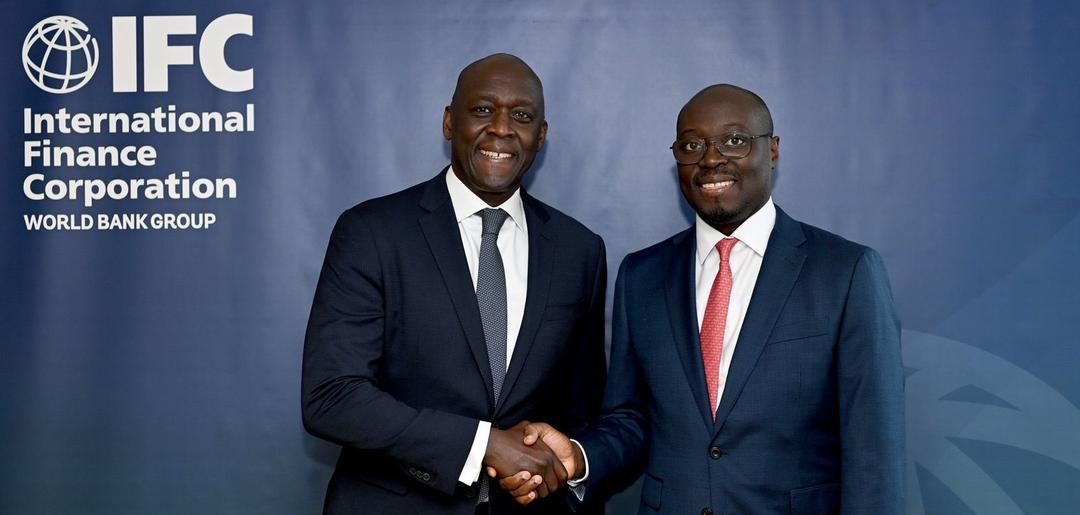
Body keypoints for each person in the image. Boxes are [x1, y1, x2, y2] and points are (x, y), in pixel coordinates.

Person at [501, 84, 905, 515]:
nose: (711, 159)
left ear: (772, 150)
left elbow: (874, 456)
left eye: (734, 140)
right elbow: (630, 419)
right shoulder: (642, 276)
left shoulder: (845, 272)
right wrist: (579, 456)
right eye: (692, 145)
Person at [302, 53, 607, 515]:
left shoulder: (579, 250)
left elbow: (582, 411)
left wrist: (563, 459)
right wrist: (482, 445)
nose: (501, 128)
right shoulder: (373, 232)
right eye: (483, 110)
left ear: (541, 136)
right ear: (449, 122)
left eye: (522, 116)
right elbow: (333, 396)